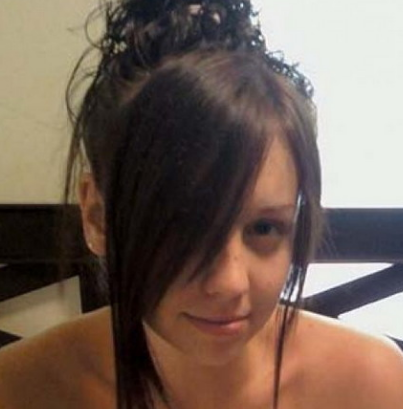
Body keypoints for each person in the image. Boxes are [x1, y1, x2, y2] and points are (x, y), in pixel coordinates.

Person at [0, 0, 403, 408]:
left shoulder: (371, 385)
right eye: (180, 226)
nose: (229, 283)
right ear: (97, 217)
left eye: (263, 228)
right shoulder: (19, 389)